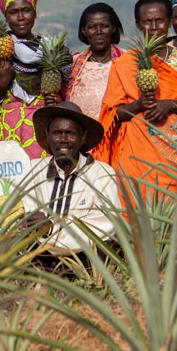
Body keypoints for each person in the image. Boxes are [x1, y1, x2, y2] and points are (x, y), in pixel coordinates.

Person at [93, 0, 177, 205]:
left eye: (159, 21)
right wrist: (138, 105)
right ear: (138, 24)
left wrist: (170, 105)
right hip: (135, 159)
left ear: (170, 22)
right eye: (147, 22)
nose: (154, 27)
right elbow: (112, 115)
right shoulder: (125, 64)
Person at [0, 0, 66, 159]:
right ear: (6, 16)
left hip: (45, 130)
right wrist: (2, 85)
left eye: (26, 10)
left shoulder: (53, 49)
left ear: (35, 12)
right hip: (8, 133)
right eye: (13, 12)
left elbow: (66, 97)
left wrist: (57, 101)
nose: (21, 17)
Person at [20, 101, 121, 255]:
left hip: (84, 256)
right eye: (57, 133)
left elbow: (106, 223)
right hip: (39, 253)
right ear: (48, 136)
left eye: (70, 133)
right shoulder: (33, 169)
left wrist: (52, 229)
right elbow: (26, 209)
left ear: (83, 138)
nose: (63, 139)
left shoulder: (102, 173)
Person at [63, 3, 126, 120]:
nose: (98, 31)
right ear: (84, 30)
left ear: (113, 28)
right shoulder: (72, 63)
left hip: (119, 132)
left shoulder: (128, 60)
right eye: (92, 27)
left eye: (104, 26)